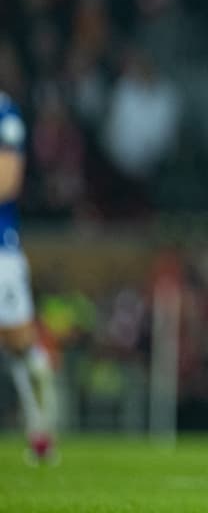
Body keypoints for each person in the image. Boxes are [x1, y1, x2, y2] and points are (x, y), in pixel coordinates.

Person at [0, 91, 59, 464]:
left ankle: (42, 430)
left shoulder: (4, 112)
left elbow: (7, 181)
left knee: (19, 342)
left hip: (0, 250)